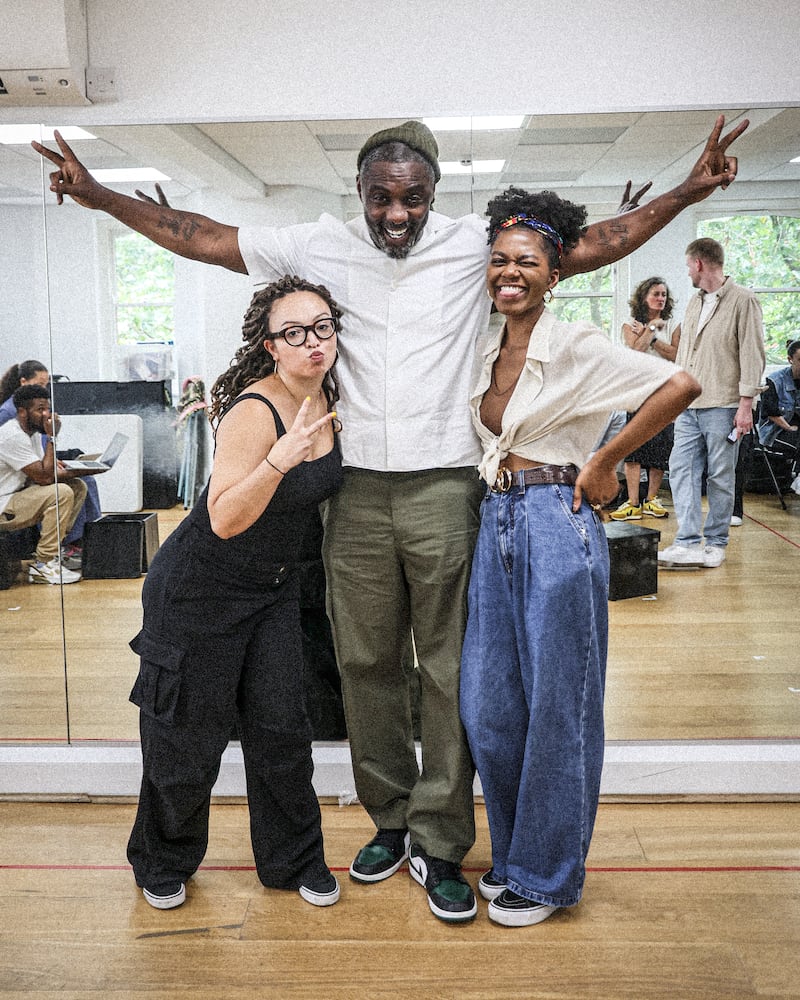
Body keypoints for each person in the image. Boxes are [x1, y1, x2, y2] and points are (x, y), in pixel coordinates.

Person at [33, 114, 747, 923]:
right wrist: (99, 196)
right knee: (365, 663)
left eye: (410, 199)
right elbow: (199, 234)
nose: (395, 215)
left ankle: (441, 838)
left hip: (447, 486)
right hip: (357, 490)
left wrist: (690, 189)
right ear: (361, 193)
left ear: (434, 194)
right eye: (380, 198)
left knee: (448, 669)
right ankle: (391, 821)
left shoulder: (476, 243)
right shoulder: (318, 244)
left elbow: (595, 243)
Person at [460, 188, 700, 926]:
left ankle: (547, 875)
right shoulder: (482, 344)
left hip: (555, 520)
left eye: (525, 261)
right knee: (491, 706)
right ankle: (515, 857)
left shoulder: (577, 342)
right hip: (494, 517)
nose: (509, 272)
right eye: (498, 259)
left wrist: (606, 460)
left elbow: (680, 383)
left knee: (560, 706)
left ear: (553, 272)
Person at [126, 275, 343, 910]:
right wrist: (280, 458)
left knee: (282, 731)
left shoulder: (332, 393)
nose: (312, 343)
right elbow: (222, 519)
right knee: (187, 741)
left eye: (322, 327)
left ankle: (295, 861)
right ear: (271, 346)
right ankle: (162, 858)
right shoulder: (256, 410)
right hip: (199, 592)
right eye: (294, 333)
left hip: (271, 592)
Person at [658, 238, 766, 569]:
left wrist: (746, 405)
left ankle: (716, 542)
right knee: (680, 469)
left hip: (724, 403)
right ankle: (688, 541)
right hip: (690, 405)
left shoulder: (743, 300)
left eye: (689, 265)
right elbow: (686, 354)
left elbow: (752, 353)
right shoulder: (694, 303)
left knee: (720, 475)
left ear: (700, 264)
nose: (688, 271)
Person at [0, 359, 102, 567]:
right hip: (4, 501)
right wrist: (53, 437)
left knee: (78, 486)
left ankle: (61, 546)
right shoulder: (11, 432)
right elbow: (45, 477)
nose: (46, 414)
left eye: (47, 409)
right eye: (40, 410)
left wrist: (84, 470)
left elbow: (45, 470)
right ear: (22, 412)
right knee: (61, 493)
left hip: (19, 490)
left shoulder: (32, 430)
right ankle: (44, 562)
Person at [610, 277, 680, 521]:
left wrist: (652, 338)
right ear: (643, 298)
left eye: (663, 294)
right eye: (655, 294)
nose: (660, 298)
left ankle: (651, 499)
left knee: (659, 447)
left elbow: (675, 354)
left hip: (664, 392)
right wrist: (650, 329)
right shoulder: (629, 324)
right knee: (634, 445)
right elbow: (636, 350)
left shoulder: (673, 325)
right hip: (638, 393)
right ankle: (632, 502)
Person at [756, 338, 800, 449]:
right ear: (790, 360)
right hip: (776, 431)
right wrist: (789, 428)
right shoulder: (775, 380)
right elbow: (771, 412)